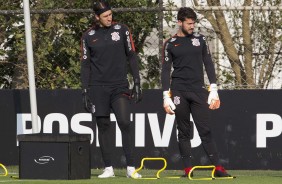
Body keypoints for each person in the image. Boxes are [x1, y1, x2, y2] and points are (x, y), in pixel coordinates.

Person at [161, 7, 232, 177]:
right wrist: (166, 95)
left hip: (198, 90)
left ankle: (218, 169)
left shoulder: (200, 40)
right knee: (183, 132)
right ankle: (188, 170)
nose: (192, 26)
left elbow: (208, 62)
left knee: (205, 130)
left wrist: (213, 87)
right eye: (189, 23)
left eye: (194, 23)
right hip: (179, 91)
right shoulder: (170, 43)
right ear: (180, 22)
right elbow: (165, 70)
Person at [80, 0, 142, 179]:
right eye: (105, 16)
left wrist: (137, 81)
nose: (109, 18)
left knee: (124, 122)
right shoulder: (88, 36)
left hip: (119, 86)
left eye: (110, 14)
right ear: (96, 17)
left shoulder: (122, 30)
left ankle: (131, 167)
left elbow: (132, 56)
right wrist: (85, 90)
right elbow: (85, 65)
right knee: (103, 126)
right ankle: (109, 168)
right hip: (98, 87)